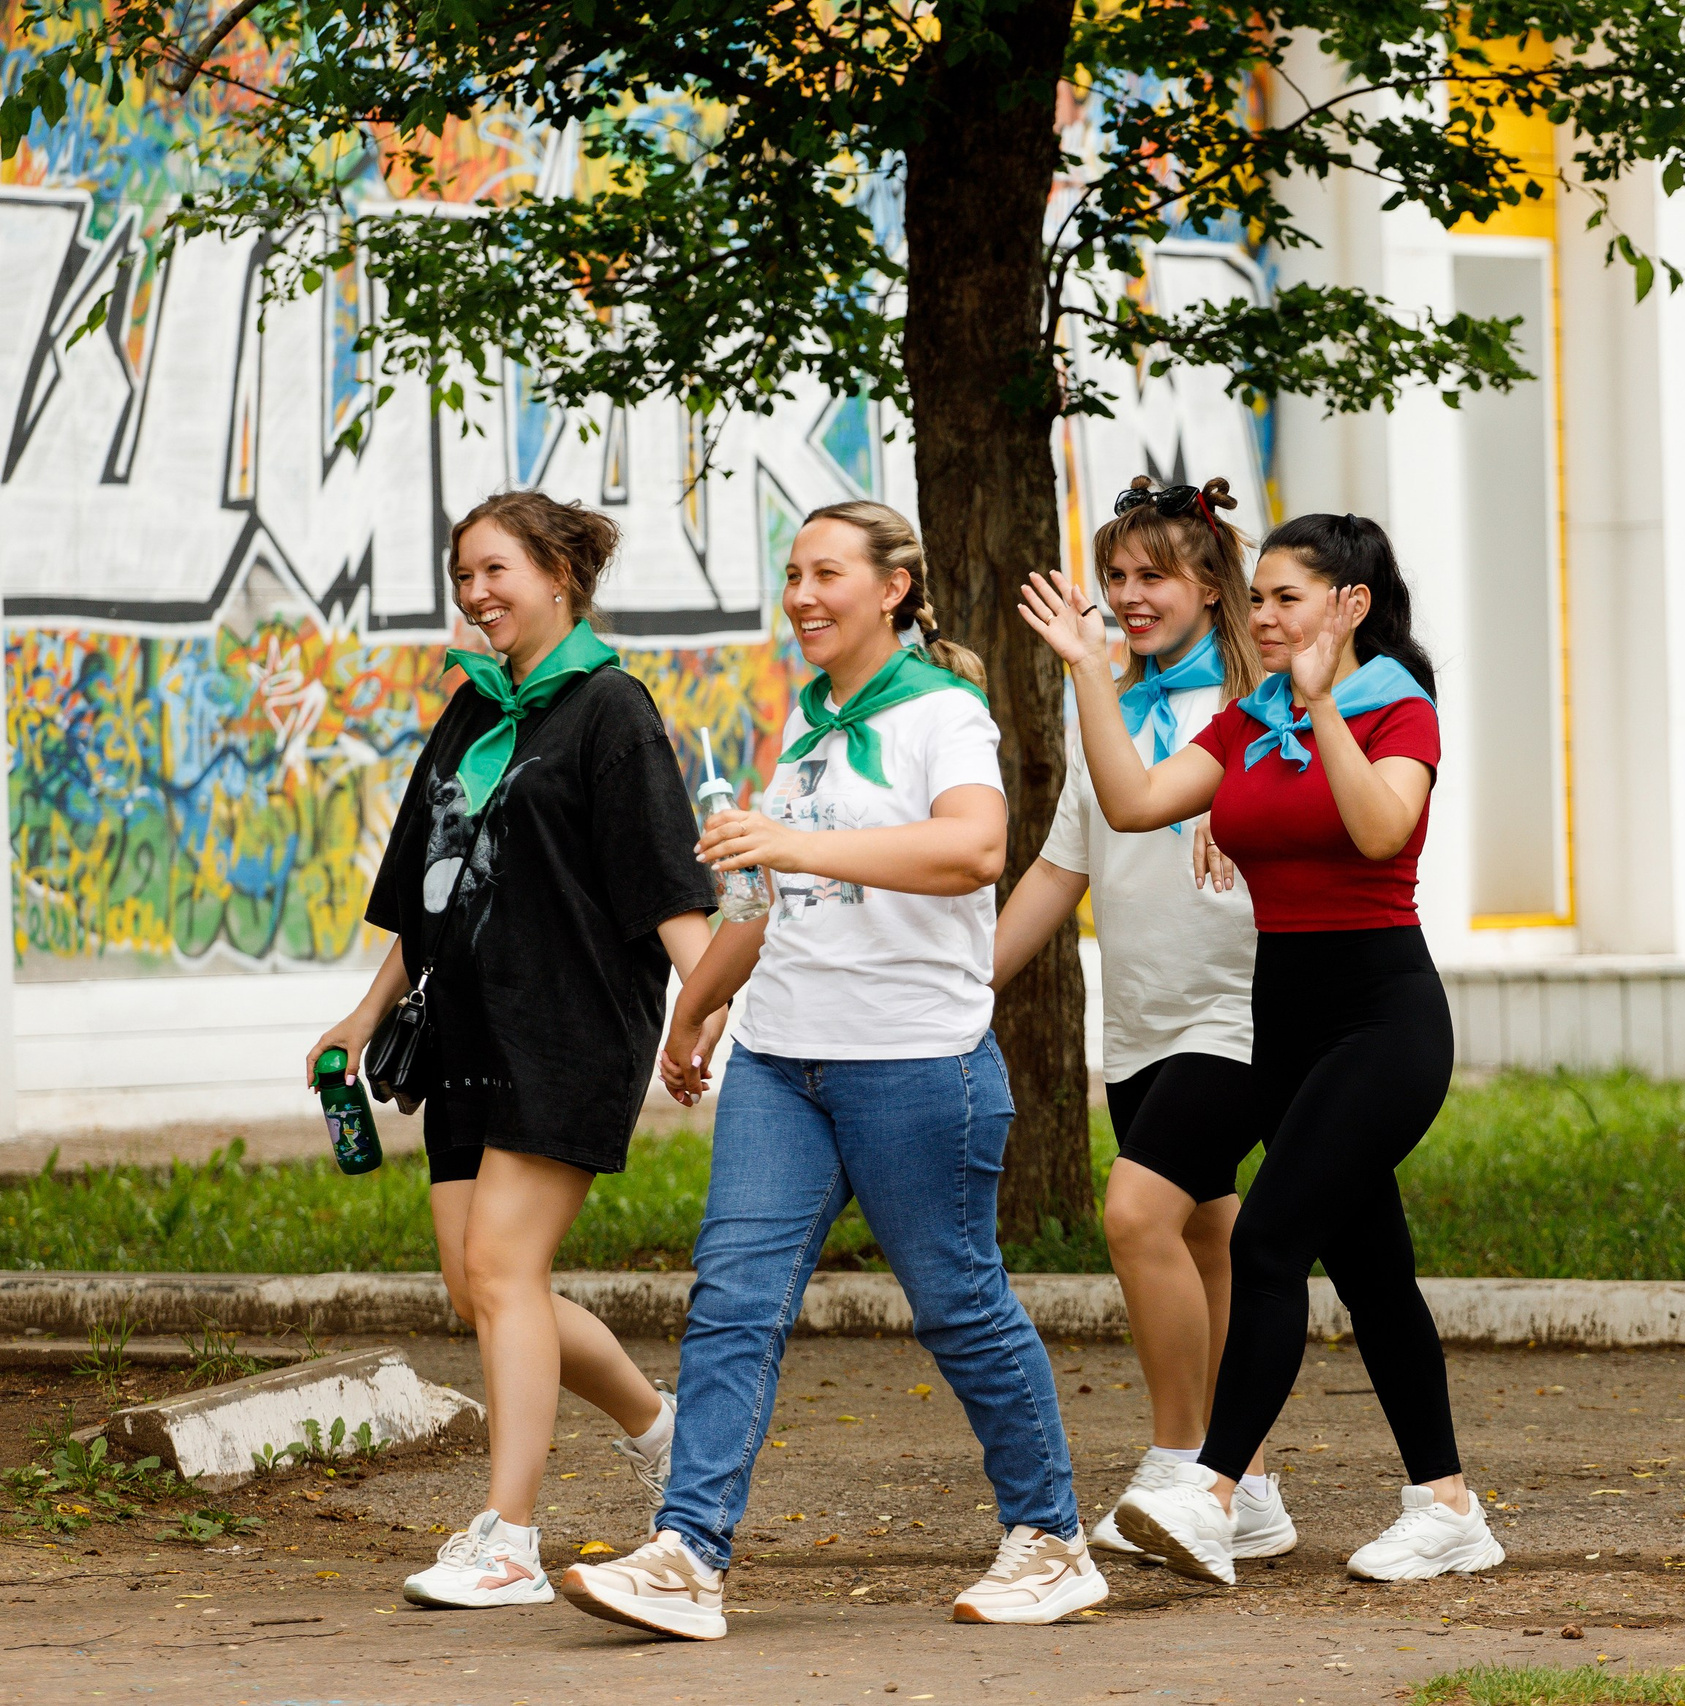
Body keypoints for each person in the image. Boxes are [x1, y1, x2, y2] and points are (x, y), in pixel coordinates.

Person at [557, 500, 1103, 1638]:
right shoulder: (808, 729)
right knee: (735, 1299)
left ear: (893, 586)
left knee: (957, 1302)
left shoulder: (941, 715)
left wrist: (791, 839)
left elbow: (974, 850)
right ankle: (687, 1554)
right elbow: (768, 901)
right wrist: (697, 1006)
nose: (801, 596)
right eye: (792, 576)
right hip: (781, 1059)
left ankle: (1050, 1536)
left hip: (913, 1061)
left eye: (825, 574)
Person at [1017, 511, 1503, 1588]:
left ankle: (1215, 1490)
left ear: (1350, 605)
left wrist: (1323, 704)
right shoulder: (1251, 717)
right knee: (1374, 1271)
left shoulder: (1397, 708)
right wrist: (1093, 672)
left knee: (1267, 1242)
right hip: (1283, 1019)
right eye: (1262, 597)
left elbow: (1381, 829)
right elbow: (1137, 801)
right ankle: (1447, 1503)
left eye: (1286, 598)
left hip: (1382, 1018)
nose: (1263, 616)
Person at [308, 492, 716, 1609]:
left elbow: (668, 884)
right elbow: (426, 887)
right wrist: (362, 1012)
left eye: (497, 571)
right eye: (464, 576)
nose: (477, 595)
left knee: (501, 1268)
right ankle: (660, 1428)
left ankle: (511, 1537)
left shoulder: (609, 709)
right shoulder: (471, 708)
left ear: (559, 574)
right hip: (464, 1029)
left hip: (572, 1024)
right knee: (482, 1285)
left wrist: (706, 1004)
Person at [991, 477, 1294, 1563]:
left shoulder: (1264, 709)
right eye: (1114, 575)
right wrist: (966, 981)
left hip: (1243, 1011)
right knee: (1203, 1233)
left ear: (1211, 587)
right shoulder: (1107, 701)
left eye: (1151, 575)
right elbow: (1061, 864)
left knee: (1133, 1215)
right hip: (1141, 1018)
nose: (1126, 594)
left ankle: (1180, 1462)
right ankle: (1247, 1483)